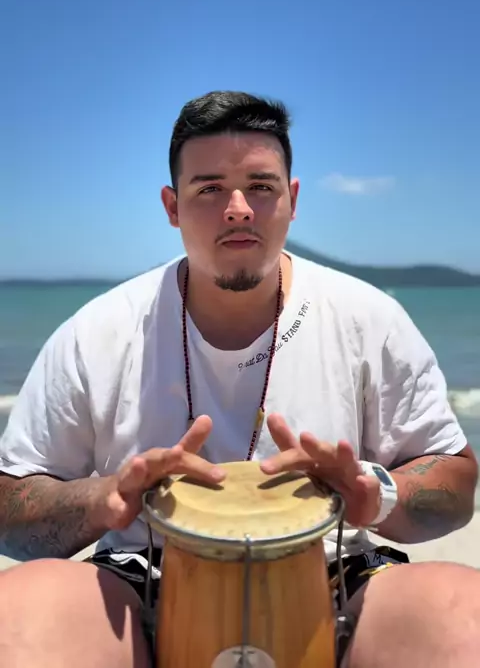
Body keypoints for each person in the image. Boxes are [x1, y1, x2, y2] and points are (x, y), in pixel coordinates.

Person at [0, 90, 478, 668]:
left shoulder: (368, 319)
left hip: (332, 566)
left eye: (260, 186)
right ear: (172, 206)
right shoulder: (97, 332)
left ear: (292, 200)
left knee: (461, 614)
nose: (238, 209)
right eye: (209, 189)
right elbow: (9, 509)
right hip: (143, 570)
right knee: (19, 614)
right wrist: (105, 499)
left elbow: (456, 481)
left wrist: (375, 492)